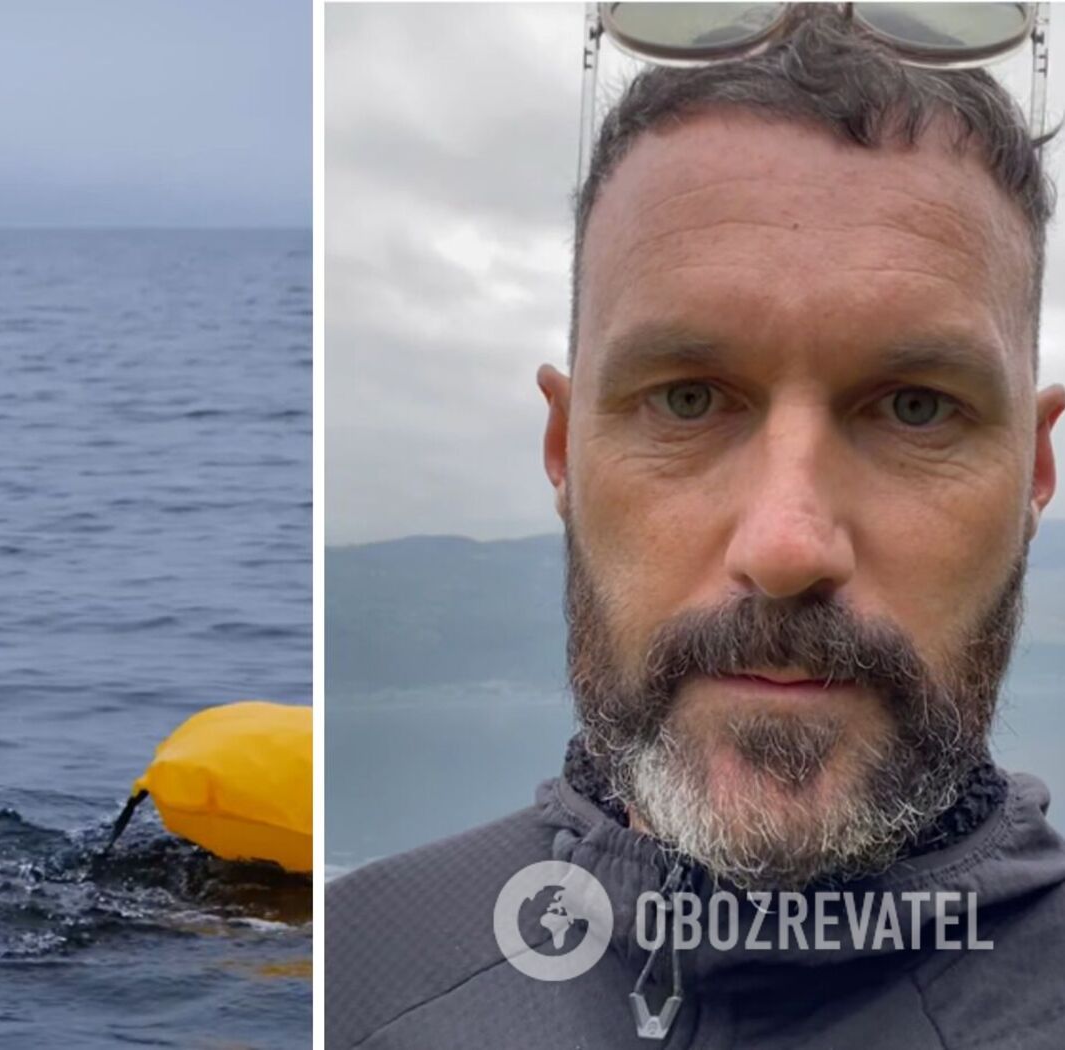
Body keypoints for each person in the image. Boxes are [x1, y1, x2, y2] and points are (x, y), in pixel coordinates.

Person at [329, 6, 1065, 1048]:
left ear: (1035, 473)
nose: (786, 545)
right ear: (563, 452)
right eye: (686, 400)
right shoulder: (354, 974)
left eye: (914, 407)